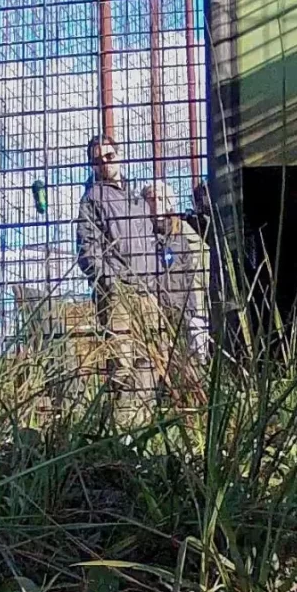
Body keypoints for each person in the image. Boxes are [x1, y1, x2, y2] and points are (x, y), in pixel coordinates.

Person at [75, 134, 165, 425]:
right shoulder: (92, 199)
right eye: (98, 160)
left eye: (109, 156)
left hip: (146, 289)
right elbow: (87, 250)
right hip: (118, 293)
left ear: (119, 155)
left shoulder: (136, 197)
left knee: (149, 358)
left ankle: (146, 422)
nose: (104, 163)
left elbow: (152, 239)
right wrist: (110, 283)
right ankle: (124, 428)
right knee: (122, 362)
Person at [142, 180, 211, 366]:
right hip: (153, 311)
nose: (156, 203)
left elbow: (190, 274)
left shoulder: (181, 235)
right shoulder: (139, 234)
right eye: (151, 198)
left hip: (181, 310)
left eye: (161, 198)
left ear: (169, 203)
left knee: (187, 364)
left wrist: (191, 310)